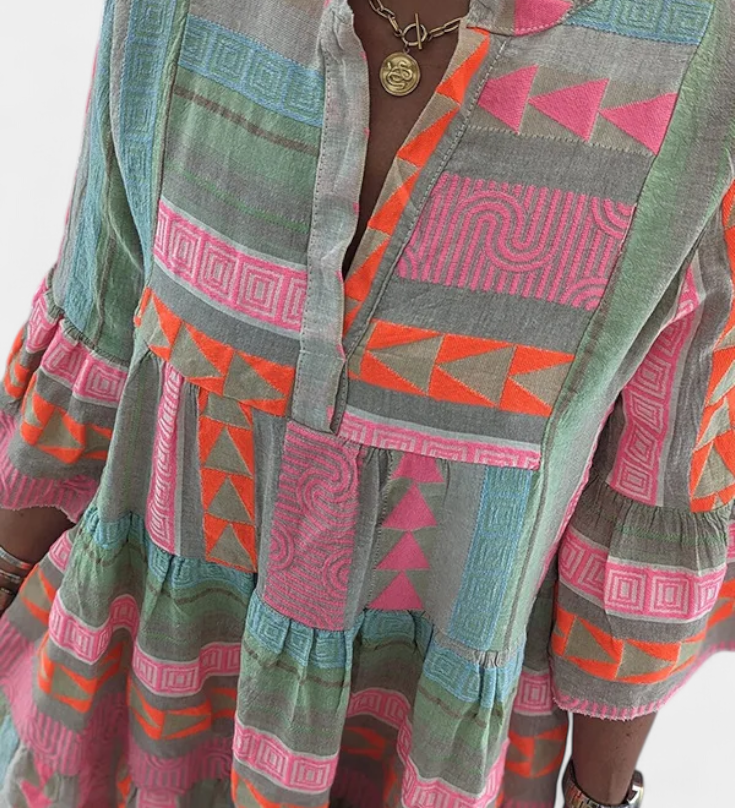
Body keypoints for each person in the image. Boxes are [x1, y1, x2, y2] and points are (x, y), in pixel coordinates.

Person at [1, 0, 734, 806]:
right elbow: (101, 321)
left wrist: (599, 794)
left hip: (431, 754)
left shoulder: (698, 51)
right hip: (120, 712)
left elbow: (660, 478)